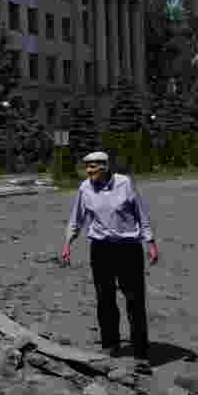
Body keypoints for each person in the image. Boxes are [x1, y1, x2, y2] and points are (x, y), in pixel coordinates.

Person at [60, 151, 159, 373]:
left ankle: (141, 354)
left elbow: (140, 214)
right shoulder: (85, 188)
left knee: (135, 300)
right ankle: (110, 345)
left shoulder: (125, 184)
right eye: (86, 167)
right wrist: (68, 243)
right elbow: (76, 219)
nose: (88, 171)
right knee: (105, 298)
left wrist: (150, 242)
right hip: (100, 249)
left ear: (104, 167)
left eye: (92, 167)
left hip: (128, 248)